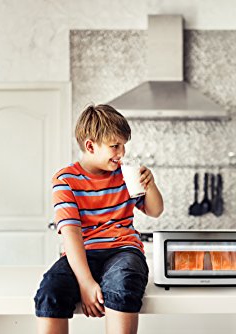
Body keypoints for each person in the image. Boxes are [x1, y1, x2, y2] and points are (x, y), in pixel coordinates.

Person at [34, 104, 164, 334]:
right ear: (90, 146)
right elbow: (71, 233)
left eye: (124, 145)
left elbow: (155, 210)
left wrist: (150, 185)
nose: (122, 153)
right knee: (50, 291)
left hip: (124, 249)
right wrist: (85, 282)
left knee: (123, 282)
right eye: (115, 146)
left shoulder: (126, 176)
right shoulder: (66, 180)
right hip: (84, 252)